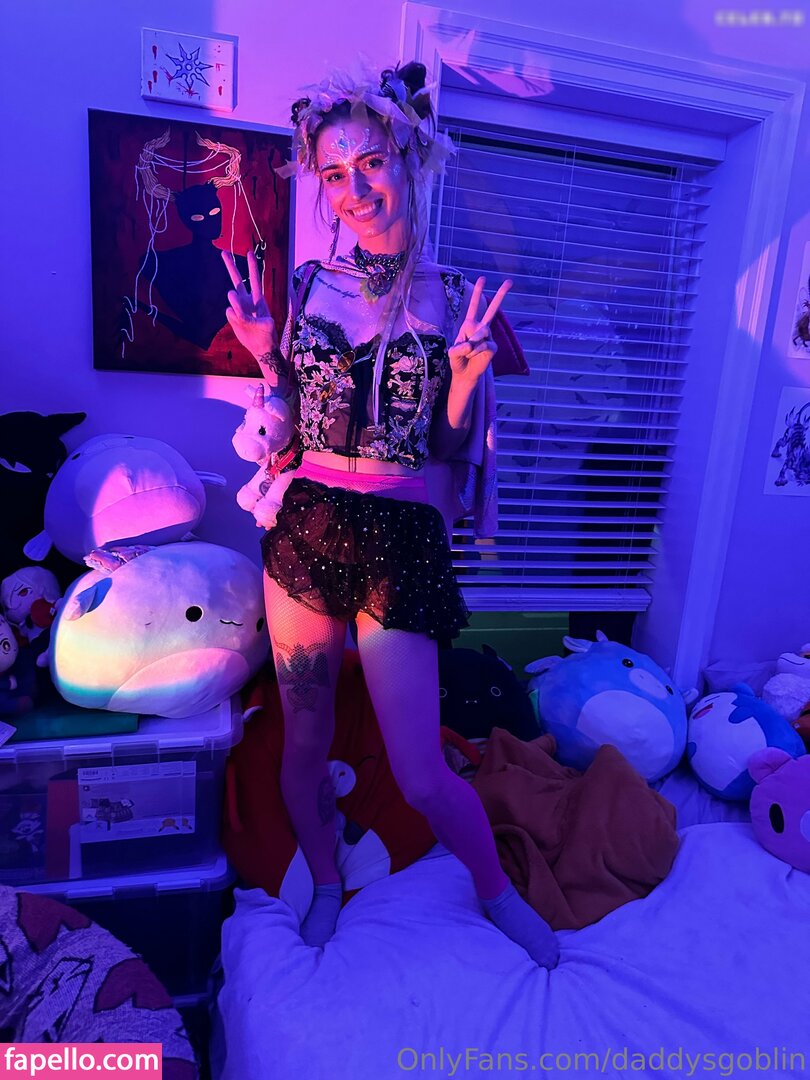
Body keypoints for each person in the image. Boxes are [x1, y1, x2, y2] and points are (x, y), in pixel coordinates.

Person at [222, 61, 559, 971]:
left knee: (420, 770)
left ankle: (496, 892)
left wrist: (467, 375)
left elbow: (446, 448)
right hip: (306, 530)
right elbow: (293, 415)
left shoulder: (453, 294)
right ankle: (327, 878)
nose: (355, 189)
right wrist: (264, 354)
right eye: (334, 173)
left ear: (409, 158)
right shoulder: (306, 285)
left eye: (370, 163)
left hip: (398, 540)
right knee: (305, 737)